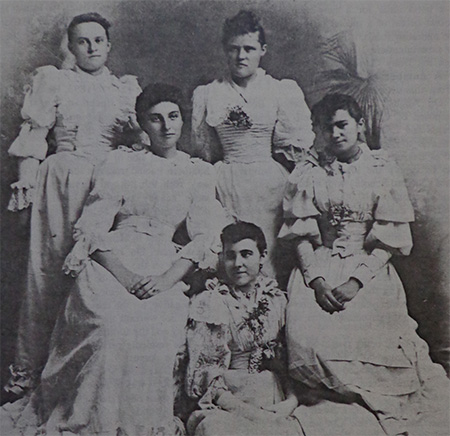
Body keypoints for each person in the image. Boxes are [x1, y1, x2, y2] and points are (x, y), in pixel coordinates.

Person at [1, 83, 225, 435]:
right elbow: (91, 227)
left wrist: (166, 280)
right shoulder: (121, 162)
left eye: (173, 117)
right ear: (141, 124)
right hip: (112, 258)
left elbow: (204, 237)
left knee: (149, 331)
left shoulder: (198, 171)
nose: (166, 126)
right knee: (110, 328)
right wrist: (122, 274)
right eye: (155, 119)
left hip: (165, 265)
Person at [280, 93, 449, 435]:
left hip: (367, 269)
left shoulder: (380, 168)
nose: (335, 134)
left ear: (359, 126)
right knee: (309, 336)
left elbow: (390, 237)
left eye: (342, 125)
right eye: (327, 128)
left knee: (367, 334)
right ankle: (335, 410)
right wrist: (316, 280)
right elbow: (301, 234)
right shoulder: (309, 172)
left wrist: (356, 282)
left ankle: (366, 411)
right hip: (320, 266)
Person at [5, 12, 142, 397]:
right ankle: (33, 373)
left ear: (109, 44)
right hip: (63, 182)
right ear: (72, 46)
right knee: (49, 270)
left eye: (98, 40)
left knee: (99, 273)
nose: (92, 47)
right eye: (83, 41)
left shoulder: (124, 89)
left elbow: (141, 136)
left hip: (110, 184)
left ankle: (86, 377)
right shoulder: (55, 81)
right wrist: (26, 186)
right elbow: (33, 137)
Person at [191, 10, 314, 280]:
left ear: (263, 50)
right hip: (225, 180)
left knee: (268, 256)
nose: (241, 56)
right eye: (234, 49)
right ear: (225, 50)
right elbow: (206, 149)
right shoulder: (209, 93)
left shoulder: (279, 90)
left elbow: (295, 145)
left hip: (268, 182)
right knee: (231, 253)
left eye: (249, 48)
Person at [184, 222, 303, 436]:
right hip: (229, 399)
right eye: (231, 255)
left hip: (273, 395)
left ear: (262, 256)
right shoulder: (211, 302)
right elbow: (205, 372)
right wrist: (250, 413)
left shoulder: (277, 300)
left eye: (246, 254)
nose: (238, 263)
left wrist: (291, 401)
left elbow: (287, 361)